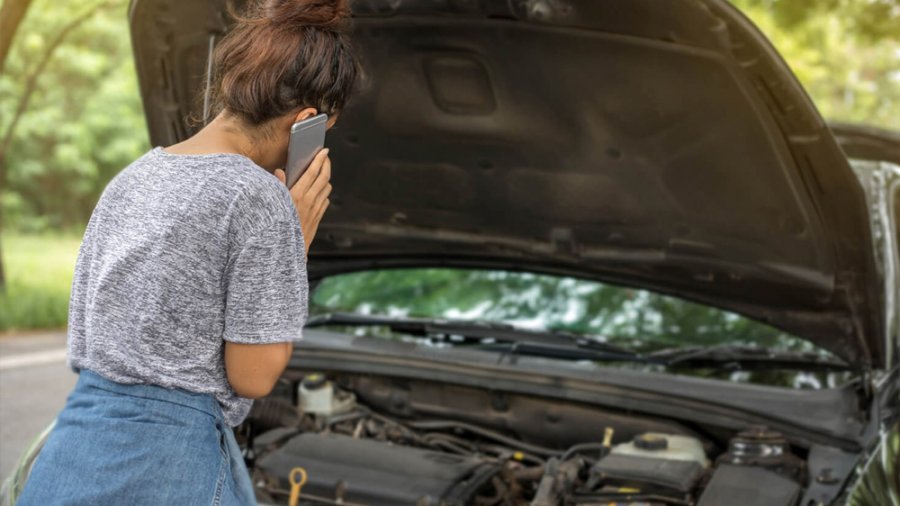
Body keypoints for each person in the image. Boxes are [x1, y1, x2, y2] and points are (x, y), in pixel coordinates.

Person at [18, 0, 359, 504]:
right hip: (164, 468)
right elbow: (255, 374)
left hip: (73, 451)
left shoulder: (132, 178)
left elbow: (87, 332)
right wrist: (294, 245)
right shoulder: (258, 197)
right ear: (306, 120)